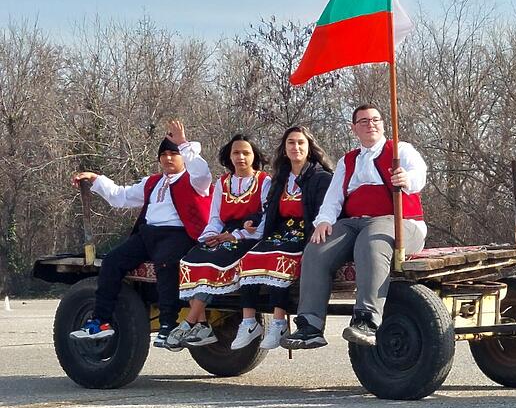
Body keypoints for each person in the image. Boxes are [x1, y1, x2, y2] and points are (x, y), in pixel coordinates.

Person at [281, 104, 428, 350]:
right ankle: (310, 325)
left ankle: (366, 320)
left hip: (400, 222)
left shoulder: (400, 150)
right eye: (363, 121)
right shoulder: (348, 160)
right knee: (318, 247)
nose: (371, 124)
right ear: (354, 128)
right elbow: (333, 197)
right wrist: (324, 221)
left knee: (371, 240)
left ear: (383, 124)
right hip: (355, 222)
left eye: (376, 119)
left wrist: (407, 179)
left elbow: (419, 174)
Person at [69, 120, 213, 346]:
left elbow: (203, 172)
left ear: (183, 156)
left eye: (173, 153)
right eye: (163, 154)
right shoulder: (152, 182)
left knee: (165, 263)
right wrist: (95, 179)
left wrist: (183, 143)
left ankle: (168, 325)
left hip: (180, 235)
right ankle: (101, 322)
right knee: (112, 261)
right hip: (148, 236)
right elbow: (121, 196)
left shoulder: (195, 181)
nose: (167, 158)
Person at [231, 126, 334, 350]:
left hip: (305, 233)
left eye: (300, 143)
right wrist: (254, 219)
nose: (295, 147)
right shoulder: (281, 178)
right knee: (249, 259)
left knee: (279, 260)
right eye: (291, 143)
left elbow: (324, 212)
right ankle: (249, 322)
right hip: (280, 232)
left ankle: (279, 322)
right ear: (284, 148)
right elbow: (268, 208)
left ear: (309, 148)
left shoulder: (321, 178)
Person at [167, 135, 270, 349]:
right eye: (236, 153)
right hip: (224, 233)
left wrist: (238, 235)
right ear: (229, 156)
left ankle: (190, 321)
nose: (241, 157)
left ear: (254, 156)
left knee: (215, 262)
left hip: (248, 237)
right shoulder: (223, 182)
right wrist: (210, 236)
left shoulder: (264, 181)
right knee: (193, 259)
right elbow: (215, 218)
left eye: (246, 152)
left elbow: (266, 221)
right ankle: (201, 323)